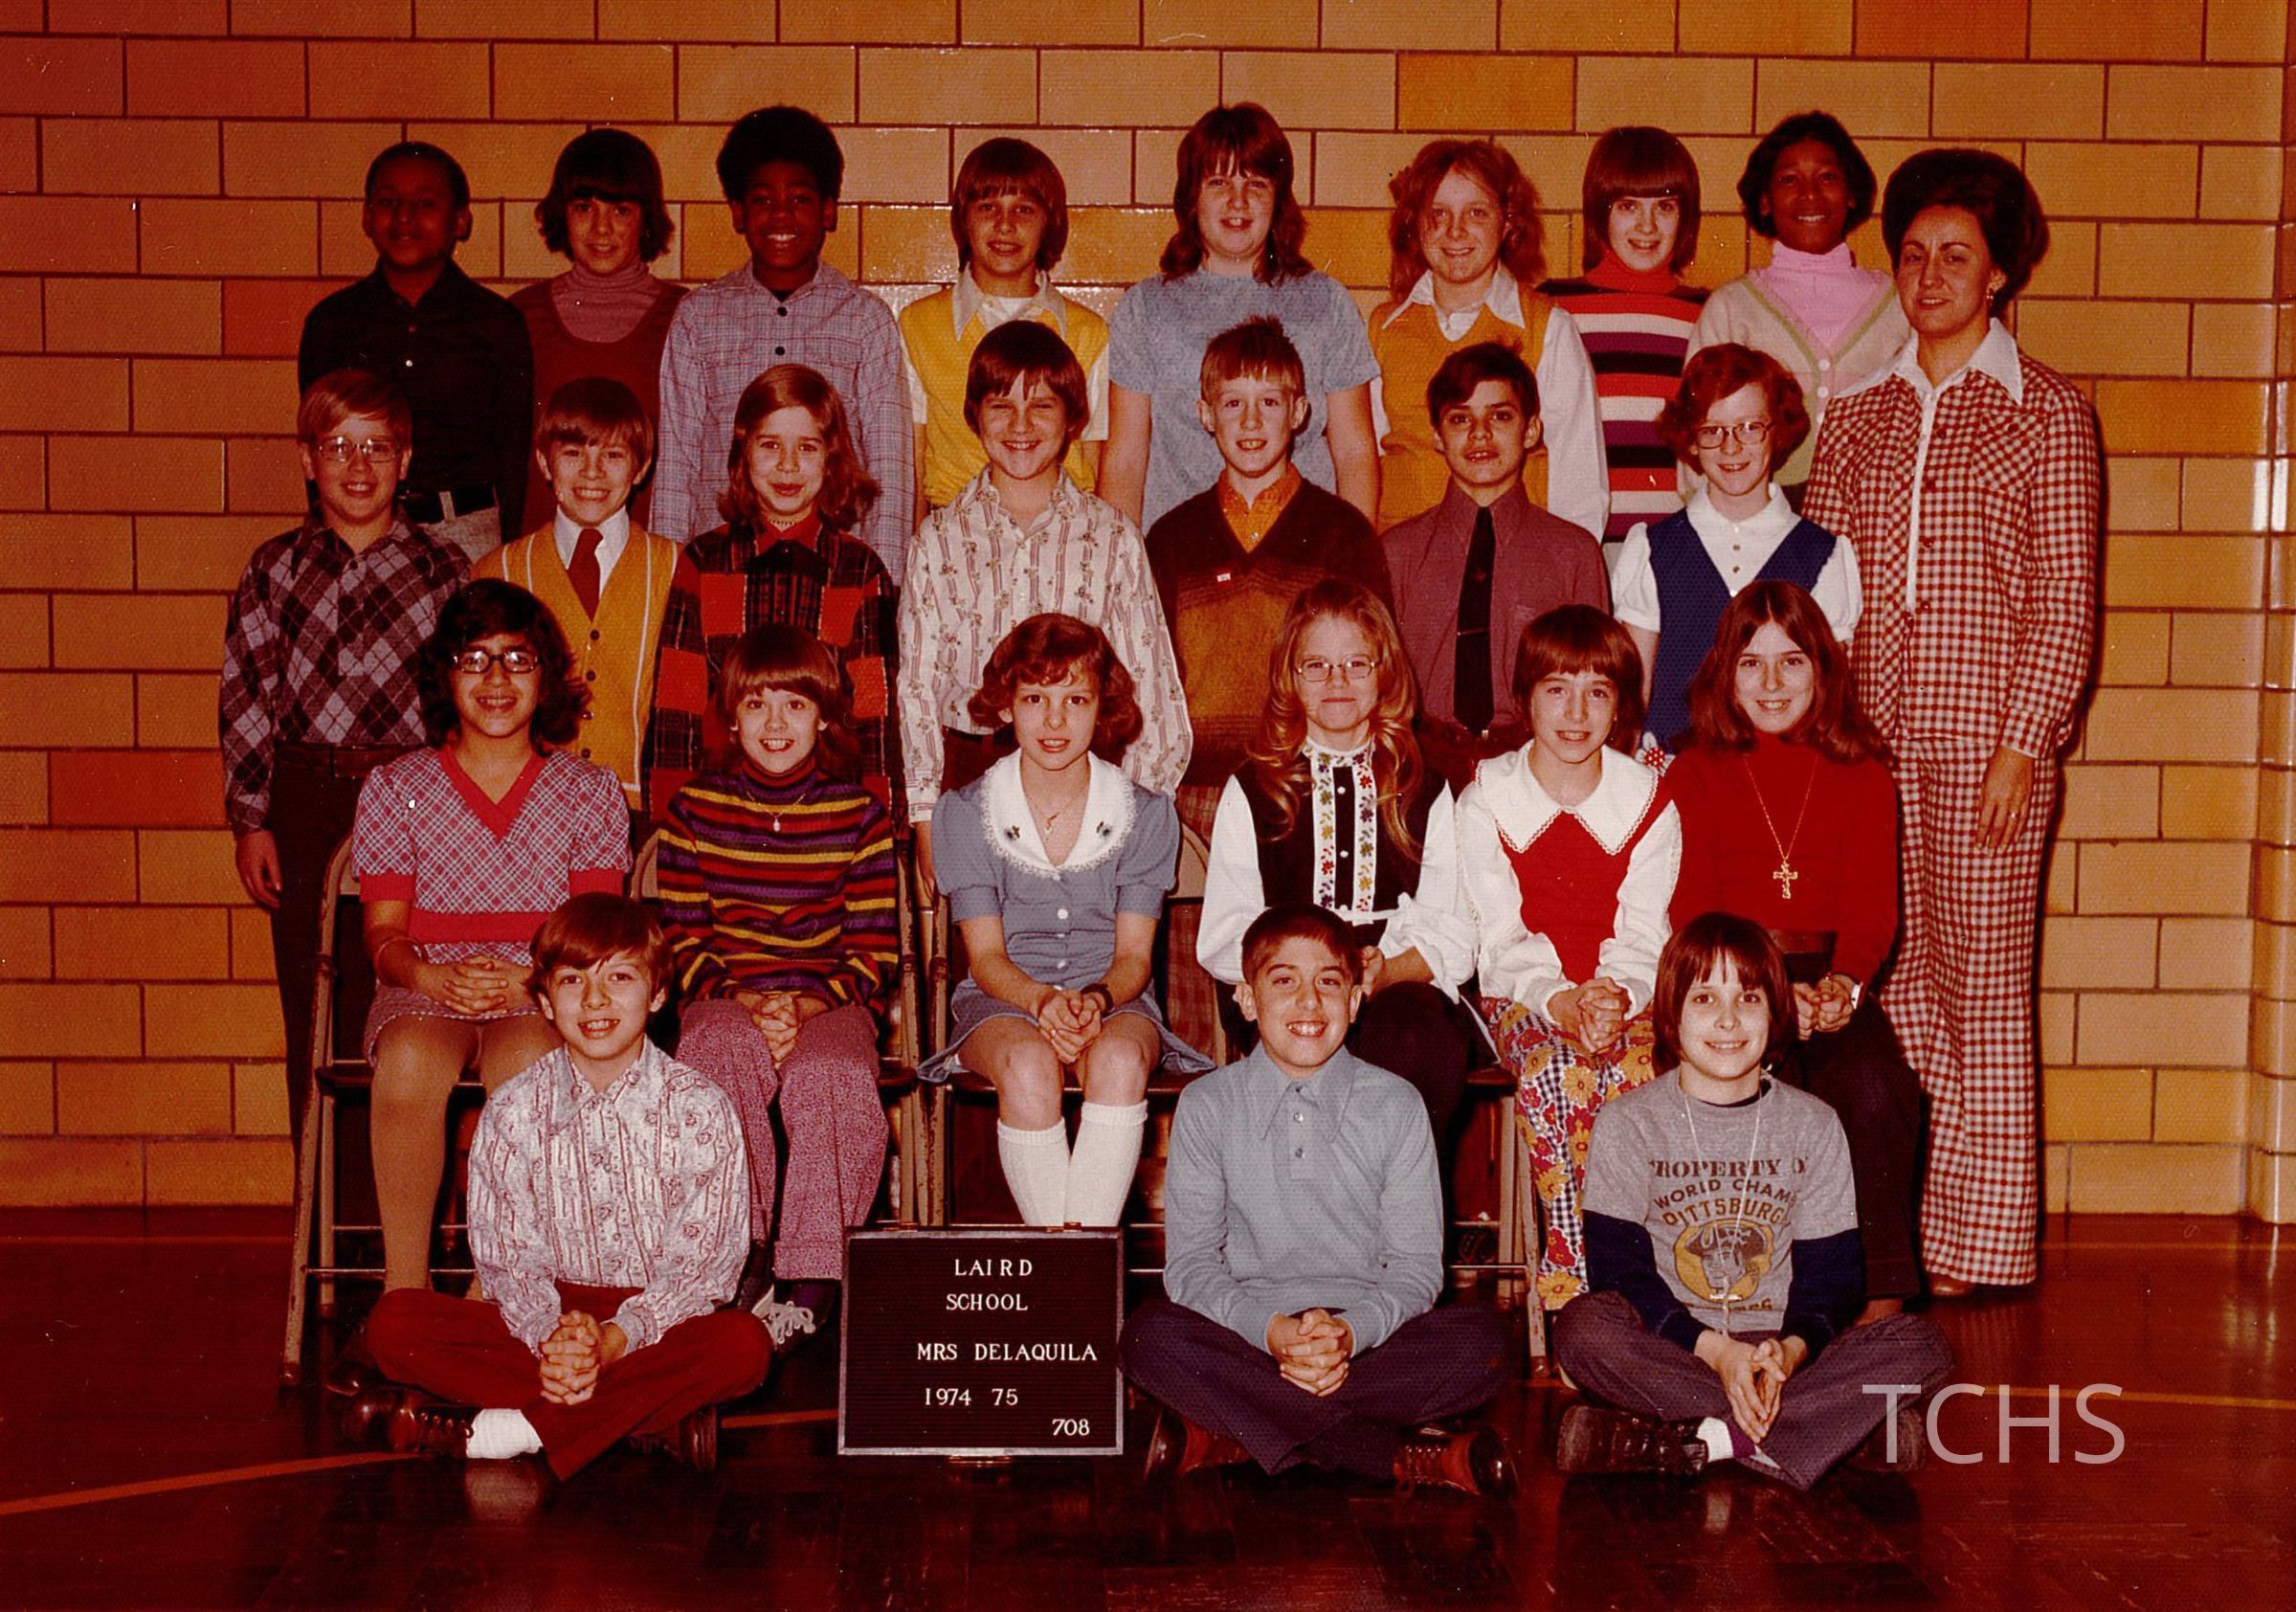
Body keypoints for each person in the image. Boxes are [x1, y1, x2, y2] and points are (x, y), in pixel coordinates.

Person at [1804, 148, 2099, 1294]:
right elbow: (1821, 595)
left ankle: (1980, 1243)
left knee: (1979, 987)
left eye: (1954, 258)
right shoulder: (1856, 411)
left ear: (1998, 276)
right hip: (1869, 745)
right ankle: (1897, 1237)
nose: (1927, 277)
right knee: (1888, 986)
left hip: (1988, 749)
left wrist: (2024, 743)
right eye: (1913, 256)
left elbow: (2064, 599)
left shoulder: (2048, 412)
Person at [347, 894, 771, 1477]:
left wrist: (615, 1339)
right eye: (573, 981)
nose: (595, 1000)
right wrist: (554, 1340)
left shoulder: (701, 1107)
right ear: (545, 1001)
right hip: (543, 1317)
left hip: (655, 1322)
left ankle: (510, 1431)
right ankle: (645, 1417)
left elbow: (704, 1268)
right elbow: (508, 1260)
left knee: (743, 1345)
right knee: (395, 1323)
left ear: (657, 994)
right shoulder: (515, 1108)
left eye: (619, 977)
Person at [1119, 905, 1514, 1497]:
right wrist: (1272, 1332)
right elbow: (1193, 1268)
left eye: (1329, 983)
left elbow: (1415, 1270)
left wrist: (1349, 1334)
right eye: (1284, 981)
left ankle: (1237, 1438)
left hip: (1367, 1340)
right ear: (1247, 1000)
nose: (1309, 1002)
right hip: (1251, 1335)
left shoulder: (1396, 1103)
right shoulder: (1207, 1105)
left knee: (1489, 1343)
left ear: (1355, 1003)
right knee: (1146, 1337)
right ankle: (1397, 1457)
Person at [1552, 913, 1952, 1488]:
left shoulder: (1814, 1124)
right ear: (1671, 1015)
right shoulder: (1628, 1123)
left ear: (1775, 1014)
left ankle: (1703, 1440)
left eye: (1748, 998)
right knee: (1583, 1329)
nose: (1727, 1020)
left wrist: (1787, 1352)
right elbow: (1619, 1274)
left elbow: (1831, 1280)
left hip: (1784, 1354)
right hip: (1680, 1347)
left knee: (1923, 1343)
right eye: (1704, 999)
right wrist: (1718, 1354)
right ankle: (1823, 1431)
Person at [351, 581, 632, 1293]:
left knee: (531, 1072)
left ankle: (500, 1288)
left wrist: (533, 981)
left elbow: (595, 935)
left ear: (547, 675)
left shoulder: (588, 791)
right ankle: (404, 1291)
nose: (497, 679)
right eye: (474, 659)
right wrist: (427, 977)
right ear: (444, 675)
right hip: (425, 988)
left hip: (540, 994)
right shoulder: (395, 788)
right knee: (408, 1063)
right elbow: (383, 935)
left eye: (517, 658)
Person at [220, 369, 467, 1148]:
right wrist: (252, 821)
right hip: (305, 796)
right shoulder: (273, 569)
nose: (358, 467)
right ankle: (319, 1197)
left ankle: (389, 1203)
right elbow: (246, 699)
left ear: (405, 460)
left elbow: (464, 703)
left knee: (402, 998)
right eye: (337, 448)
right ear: (307, 459)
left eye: (376, 448)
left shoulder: (444, 570)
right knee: (313, 1003)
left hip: (413, 799)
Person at [1668, 582, 1921, 1311]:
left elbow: (1872, 913)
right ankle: (1743, 1292)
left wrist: (1843, 985)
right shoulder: (1693, 771)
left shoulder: (1864, 775)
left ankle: (1878, 1299)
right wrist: (1767, 994)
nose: (1772, 683)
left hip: (1829, 975)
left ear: (1822, 670)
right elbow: (1693, 908)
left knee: (1872, 1087)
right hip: (1727, 978)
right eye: (1751, 663)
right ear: (1725, 673)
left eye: (1791, 662)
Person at [918, 616, 1212, 1227]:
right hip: (1004, 1001)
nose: (1055, 722)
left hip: (1116, 999)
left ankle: (1074, 1265)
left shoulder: (1144, 814)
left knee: (1120, 1062)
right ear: (1006, 707)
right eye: (1035, 699)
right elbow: (986, 959)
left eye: (1075, 700)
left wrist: (1096, 1000)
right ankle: (1072, 1264)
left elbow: (1133, 958)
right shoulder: (965, 813)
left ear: (1102, 708)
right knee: (1027, 1065)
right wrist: (1043, 1001)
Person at [659, 625, 899, 1344]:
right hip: (725, 996)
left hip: (830, 998)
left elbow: (874, 951)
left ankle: (813, 1274)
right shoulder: (692, 811)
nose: (775, 723)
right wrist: (746, 1001)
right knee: (717, 1054)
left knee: (831, 1073)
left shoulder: (861, 816)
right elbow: (682, 942)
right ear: (731, 718)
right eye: (756, 704)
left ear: (823, 718)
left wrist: (805, 1004)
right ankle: (741, 1251)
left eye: (795, 705)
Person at [896, 321, 1190, 889]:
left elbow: (1152, 686)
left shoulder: (1111, 537)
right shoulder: (938, 539)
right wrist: (925, 816)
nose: (1021, 425)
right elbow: (918, 689)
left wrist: (1138, 811)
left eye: (1042, 406)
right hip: (972, 776)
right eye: (1001, 406)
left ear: (1074, 417)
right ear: (973, 415)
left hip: (1089, 780)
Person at [1198, 581, 1478, 1146]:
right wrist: (1310, 975)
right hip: (1283, 984)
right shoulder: (1253, 787)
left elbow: (1453, 931)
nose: (1337, 682)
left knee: (1412, 1041)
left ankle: (1396, 1195)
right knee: (1303, 1035)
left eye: (1356, 664)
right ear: (1290, 677)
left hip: (1393, 984)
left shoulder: (1425, 787)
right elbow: (1226, 932)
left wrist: (1383, 972)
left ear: (1385, 672)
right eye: (1317, 666)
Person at [1456, 605, 1679, 1310]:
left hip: (1623, 996)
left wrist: (1614, 995)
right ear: (1525, 696)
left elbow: (1646, 931)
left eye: (1596, 692)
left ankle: (1652, 1277)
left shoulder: (1648, 800)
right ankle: (1575, 1286)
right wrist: (1561, 999)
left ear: (1620, 704)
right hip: (1524, 996)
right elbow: (1496, 936)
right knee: (1561, 1070)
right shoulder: (1488, 798)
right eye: (1557, 690)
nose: (1576, 714)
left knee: (1641, 1072)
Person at [654, 105, 912, 579]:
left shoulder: (865, 321)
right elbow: (676, 469)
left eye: (799, 199)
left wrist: (885, 588)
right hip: (721, 574)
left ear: (828, 210)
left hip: (837, 577)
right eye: (762, 200)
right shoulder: (698, 317)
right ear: (737, 212)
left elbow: (889, 473)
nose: (781, 214)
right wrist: (670, 584)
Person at [1145, 315, 1392, 802]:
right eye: (1233, 403)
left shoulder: (1343, 535)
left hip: (1311, 787)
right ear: (1206, 413)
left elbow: (1380, 676)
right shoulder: (1171, 540)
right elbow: (1149, 687)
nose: (1251, 421)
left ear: (1299, 411)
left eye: (1270, 402)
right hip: (1197, 793)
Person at [1101, 103, 1379, 531]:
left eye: (1256, 183)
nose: (1238, 201)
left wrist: (1356, 554)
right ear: (1192, 198)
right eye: (1218, 182)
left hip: (1303, 548)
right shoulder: (1146, 308)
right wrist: (1120, 559)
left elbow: (1355, 451)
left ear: (1278, 199)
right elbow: (1125, 460)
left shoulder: (1326, 303)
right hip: (1180, 553)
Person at [643, 364, 901, 817]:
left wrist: (880, 827)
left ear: (831, 460)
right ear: (742, 454)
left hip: (827, 814)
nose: (788, 465)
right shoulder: (703, 562)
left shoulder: (861, 572)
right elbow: (675, 710)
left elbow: (874, 719)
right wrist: (669, 822)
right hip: (720, 809)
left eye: (807, 447)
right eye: (770, 445)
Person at [1613, 343, 1860, 755]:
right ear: (1692, 440)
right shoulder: (1654, 549)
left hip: (1781, 773)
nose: (1731, 448)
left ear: (1776, 430)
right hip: (1674, 769)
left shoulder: (1821, 555)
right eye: (1713, 431)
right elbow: (1633, 696)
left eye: (1749, 427)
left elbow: (1829, 699)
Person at [1381, 342, 1610, 788]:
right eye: (1460, 419)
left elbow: (1596, 688)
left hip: (1536, 767)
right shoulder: (1397, 553)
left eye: (1500, 416)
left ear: (1531, 430)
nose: (1480, 434)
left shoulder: (1574, 554)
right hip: (1421, 767)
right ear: (1437, 435)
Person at [474, 376, 696, 821]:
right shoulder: (497, 572)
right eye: (573, 453)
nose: (592, 472)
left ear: (641, 468)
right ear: (544, 461)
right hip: (525, 813)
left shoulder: (678, 570)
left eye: (613, 455)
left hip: (642, 812)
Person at [299, 141, 533, 561]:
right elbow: (320, 448)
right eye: (388, 202)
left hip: (467, 533)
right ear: (367, 216)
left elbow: (514, 454)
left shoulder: (497, 323)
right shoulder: (332, 323)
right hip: (356, 527)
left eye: (425, 203)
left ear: (460, 219)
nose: (404, 217)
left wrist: (506, 554)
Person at [1370, 138, 1606, 540]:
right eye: (1438, 214)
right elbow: (1367, 460)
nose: (1455, 231)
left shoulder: (1547, 327)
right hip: (1403, 557)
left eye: (1476, 213)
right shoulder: (1384, 328)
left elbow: (1579, 482)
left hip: (1514, 555)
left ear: (1507, 222)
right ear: (1415, 223)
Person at [1688, 112, 1906, 499]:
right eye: (1790, 179)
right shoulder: (1731, 308)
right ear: (1765, 200)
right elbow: (1697, 430)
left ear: (1851, 193)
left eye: (1827, 177)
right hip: (1762, 518)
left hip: (1872, 515)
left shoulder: (1898, 303)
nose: (1810, 194)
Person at [901, 136, 1108, 516]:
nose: (1005, 225)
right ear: (964, 219)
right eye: (988, 207)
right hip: (954, 533)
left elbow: (1094, 465)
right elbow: (912, 462)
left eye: (1024, 210)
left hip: (1063, 532)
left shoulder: (1087, 333)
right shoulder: (918, 325)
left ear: (1049, 222)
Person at [1537, 125, 1710, 548]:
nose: (1647, 226)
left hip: (1677, 544)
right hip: (1575, 542)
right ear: (1600, 212)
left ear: (1686, 216)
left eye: (1665, 206)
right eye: (1628, 206)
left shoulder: (1706, 312)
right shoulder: (1551, 306)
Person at [511, 128, 686, 531]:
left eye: (620, 210)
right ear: (562, 213)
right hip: (543, 544)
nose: (601, 229)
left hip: (650, 545)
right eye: (583, 208)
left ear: (646, 219)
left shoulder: (685, 317)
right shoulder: (521, 316)